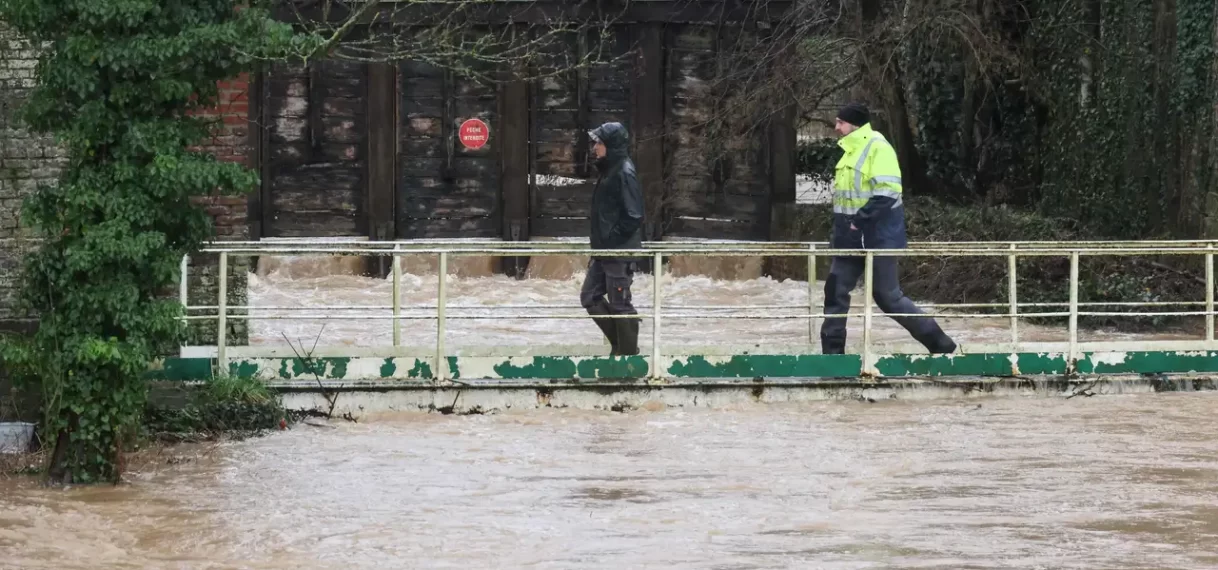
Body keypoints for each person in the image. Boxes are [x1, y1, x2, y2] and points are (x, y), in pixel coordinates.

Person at [821, 103, 957, 355]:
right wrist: (842, 233)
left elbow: (887, 193)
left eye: (840, 122)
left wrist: (857, 221)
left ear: (854, 125)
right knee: (835, 292)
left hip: (877, 237)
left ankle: (940, 344)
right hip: (848, 239)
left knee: (888, 297)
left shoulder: (878, 148)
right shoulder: (848, 152)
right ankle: (832, 356)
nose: (836, 127)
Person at [581, 122, 644, 355]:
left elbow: (634, 215)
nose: (595, 147)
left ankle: (627, 356)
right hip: (604, 251)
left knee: (620, 305)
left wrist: (611, 240)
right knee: (589, 297)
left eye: (599, 142)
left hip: (617, 252)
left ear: (611, 145)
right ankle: (621, 345)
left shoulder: (624, 172)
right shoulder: (610, 169)